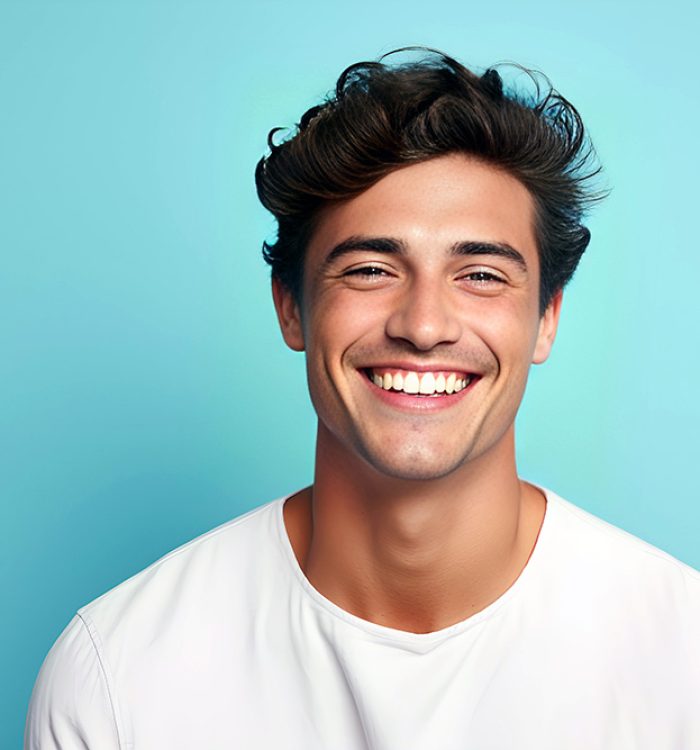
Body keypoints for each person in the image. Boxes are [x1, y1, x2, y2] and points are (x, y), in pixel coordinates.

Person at [25, 48, 700, 750]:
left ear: (548, 317)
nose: (424, 325)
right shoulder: (118, 673)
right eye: (371, 269)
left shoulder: (683, 658)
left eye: (481, 275)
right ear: (291, 307)